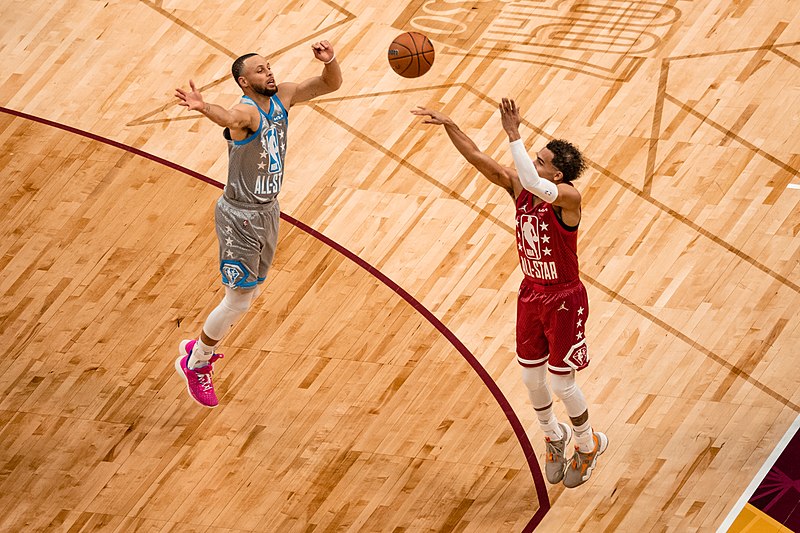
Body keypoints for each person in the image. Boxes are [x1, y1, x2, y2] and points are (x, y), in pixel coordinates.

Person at [411, 99, 607, 488]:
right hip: (532, 293)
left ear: (559, 173)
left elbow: (535, 183)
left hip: (564, 298)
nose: (532, 164)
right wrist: (451, 123)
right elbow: (476, 156)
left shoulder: (569, 199)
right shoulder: (520, 186)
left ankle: (588, 444)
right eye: (534, 157)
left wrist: (514, 133)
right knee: (531, 378)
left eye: (541, 160)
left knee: (562, 384)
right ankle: (554, 437)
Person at [173, 41, 342, 408]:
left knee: (247, 296)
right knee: (238, 301)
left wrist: (331, 63)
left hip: (268, 211)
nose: (270, 73)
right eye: (260, 70)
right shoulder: (247, 114)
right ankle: (196, 361)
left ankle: (198, 346)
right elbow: (228, 117)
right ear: (244, 82)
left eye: (269, 67)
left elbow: (329, 85)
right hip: (239, 216)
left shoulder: (284, 96)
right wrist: (204, 108)